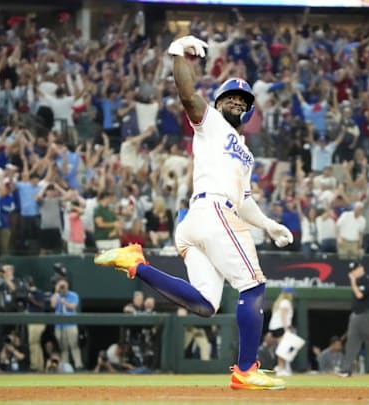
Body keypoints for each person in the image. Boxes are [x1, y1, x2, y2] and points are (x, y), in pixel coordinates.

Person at [95, 35, 292, 390]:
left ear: (248, 109)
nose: (234, 101)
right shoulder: (212, 122)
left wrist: (268, 223)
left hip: (205, 218)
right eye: (229, 97)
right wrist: (177, 54)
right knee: (253, 283)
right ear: (219, 102)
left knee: (205, 305)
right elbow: (187, 95)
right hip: (212, 210)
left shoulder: (246, 153)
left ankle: (135, 263)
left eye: (241, 99)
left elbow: (245, 200)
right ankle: (246, 369)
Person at [50, 278, 83, 370]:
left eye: (63, 286)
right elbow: (52, 305)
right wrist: (56, 291)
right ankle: (65, 367)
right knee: (63, 348)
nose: (62, 288)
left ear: (67, 286)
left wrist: (65, 303)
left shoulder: (73, 295)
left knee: (74, 346)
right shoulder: (56, 295)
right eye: (61, 286)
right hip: (59, 325)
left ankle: (78, 366)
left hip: (71, 324)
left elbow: (73, 307)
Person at [267, 288, 295, 376]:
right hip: (280, 327)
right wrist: (286, 329)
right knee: (283, 348)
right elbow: (283, 316)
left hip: (274, 327)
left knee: (282, 347)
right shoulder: (286, 302)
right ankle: (281, 368)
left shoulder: (280, 301)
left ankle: (280, 367)